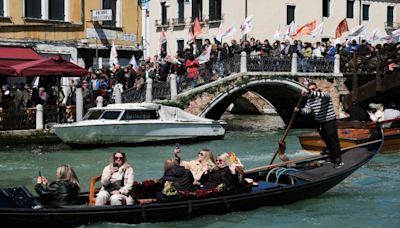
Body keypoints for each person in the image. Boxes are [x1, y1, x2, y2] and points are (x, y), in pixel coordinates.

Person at [295, 82, 343, 167]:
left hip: (330, 121)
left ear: (317, 88)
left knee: (333, 140)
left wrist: (309, 92)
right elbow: (307, 110)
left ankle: (338, 159)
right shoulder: (310, 99)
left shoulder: (324, 95)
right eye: (310, 89)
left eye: (313, 89)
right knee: (326, 140)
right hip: (320, 123)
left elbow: (325, 96)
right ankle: (332, 156)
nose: (311, 91)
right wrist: (299, 110)